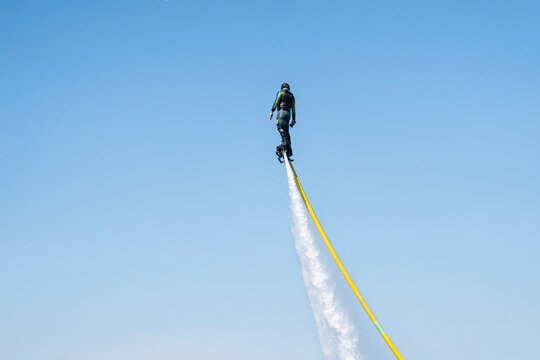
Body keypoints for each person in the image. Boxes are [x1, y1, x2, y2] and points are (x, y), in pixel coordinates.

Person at [269, 83, 296, 163]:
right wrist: (293, 120)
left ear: (282, 87)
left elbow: (276, 101)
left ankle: (282, 146)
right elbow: (293, 109)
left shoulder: (281, 92)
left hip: (281, 113)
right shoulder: (292, 96)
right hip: (288, 115)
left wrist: (272, 110)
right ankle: (288, 151)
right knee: (286, 132)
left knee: (280, 127)